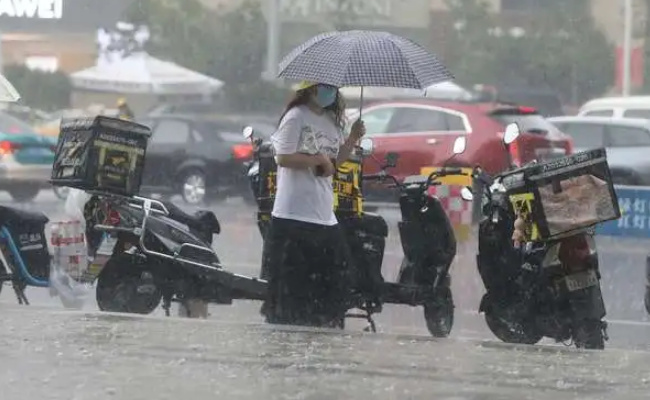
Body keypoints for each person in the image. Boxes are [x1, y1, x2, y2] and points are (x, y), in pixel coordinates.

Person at [261, 81, 366, 327]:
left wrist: (352, 138)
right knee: (291, 293)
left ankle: (319, 335)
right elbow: (283, 157)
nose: (330, 92)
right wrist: (316, 159)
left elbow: (335, 163)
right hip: (293, 216)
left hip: (323, 216)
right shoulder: (296, 117)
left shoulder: (331, 122)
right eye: (324, 87)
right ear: (311, 88)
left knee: (333, 285)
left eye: (333, 87)